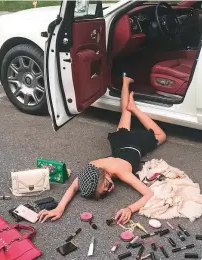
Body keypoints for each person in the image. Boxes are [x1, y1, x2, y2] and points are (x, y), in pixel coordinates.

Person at [38, 75, 167, 224]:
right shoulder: (92, 168)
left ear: (104, 174)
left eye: (105, 185)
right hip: (119, 143)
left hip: (134, 144)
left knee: (161, 135)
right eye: (104, 192)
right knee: (125, 113)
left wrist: (130, 209)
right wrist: (59, 208)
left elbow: (149, 194)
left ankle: (135, 108)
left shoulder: (122, 172)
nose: (108, 190)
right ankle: (125, 81)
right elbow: (73, 187)